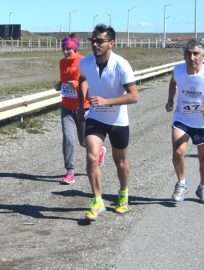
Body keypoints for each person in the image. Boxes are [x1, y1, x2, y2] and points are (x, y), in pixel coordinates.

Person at [79, 24, 139, 221]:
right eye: (93, 41)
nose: (95, 44)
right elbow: (83, 79)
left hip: (118, 119)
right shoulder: (86, 63)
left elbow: (133, 96)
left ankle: (123, 193)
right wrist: (83, 104)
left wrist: (107, 101)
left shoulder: (122, 65)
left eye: (100, 41)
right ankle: (97, 200)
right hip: (96, 117)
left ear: (111, 43)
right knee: (91, 156)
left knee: (119, 161)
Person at [166, 39, 204, 204]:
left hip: (203, 121)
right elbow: (173, 83)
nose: (191, 57)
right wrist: (170, 100)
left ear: (203, 56)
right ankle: (181, 183)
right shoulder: (178, 70)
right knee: (178, 151)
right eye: (188, 53)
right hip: (182, 118)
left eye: (195, 54)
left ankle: (203, 187)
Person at [57, 34, 92, 185]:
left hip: (83, 107)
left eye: (69, 49)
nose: (65, 52)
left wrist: (76, 85)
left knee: (84, 141)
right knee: (68, 139)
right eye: (63, 49)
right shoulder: (62, 63)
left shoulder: (84, 62)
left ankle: (99, 150)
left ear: (75, 48)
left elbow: (90, 84)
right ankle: (70, 172)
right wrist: (60, 85)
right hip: (66, 107)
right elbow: (64, 79)